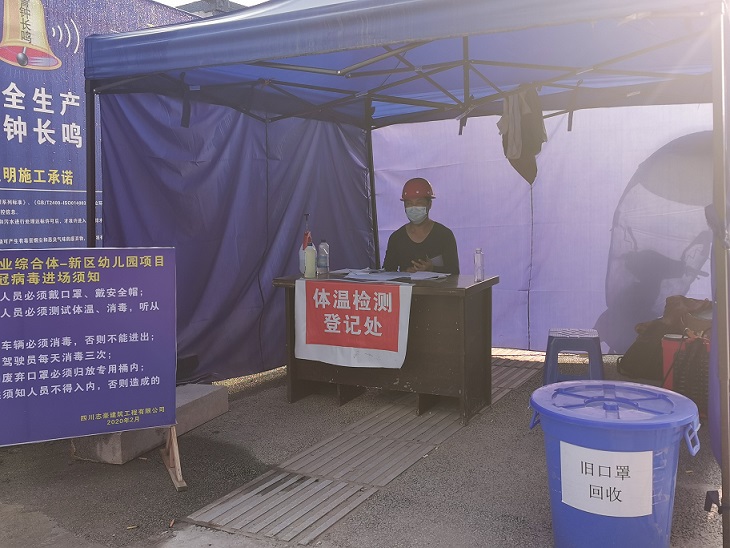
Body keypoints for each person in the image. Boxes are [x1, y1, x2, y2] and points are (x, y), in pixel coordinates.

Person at [382, 177, 459, 274]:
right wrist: (405, 274)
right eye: (409, 203)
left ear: (429, 204)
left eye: (419, 203)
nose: (414, 207)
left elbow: (454, 273)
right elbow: (387, 272)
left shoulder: (444, 235)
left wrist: (432, 269)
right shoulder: (396, 238)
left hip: (439, 285)